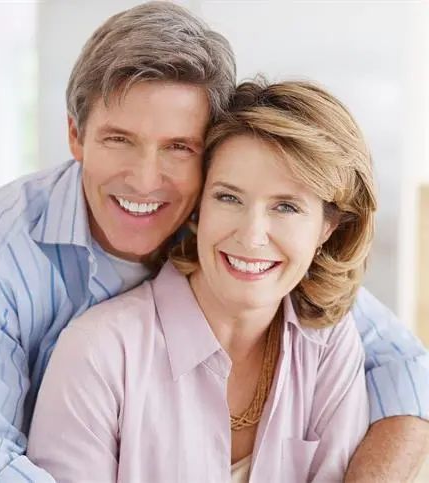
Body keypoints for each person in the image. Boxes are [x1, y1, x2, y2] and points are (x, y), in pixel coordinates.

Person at [0, 2, 429, 482]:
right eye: (119, 139)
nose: (146, 180)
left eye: (178, 147)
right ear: (75, 135)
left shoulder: (236, 237)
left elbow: (403, 364)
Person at [26, 79, 373, 482]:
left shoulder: (328, 343)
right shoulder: (98, 353)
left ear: (328, 227)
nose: (252, 236)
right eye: (229, 198)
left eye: (286, 207)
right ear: (197, 208)